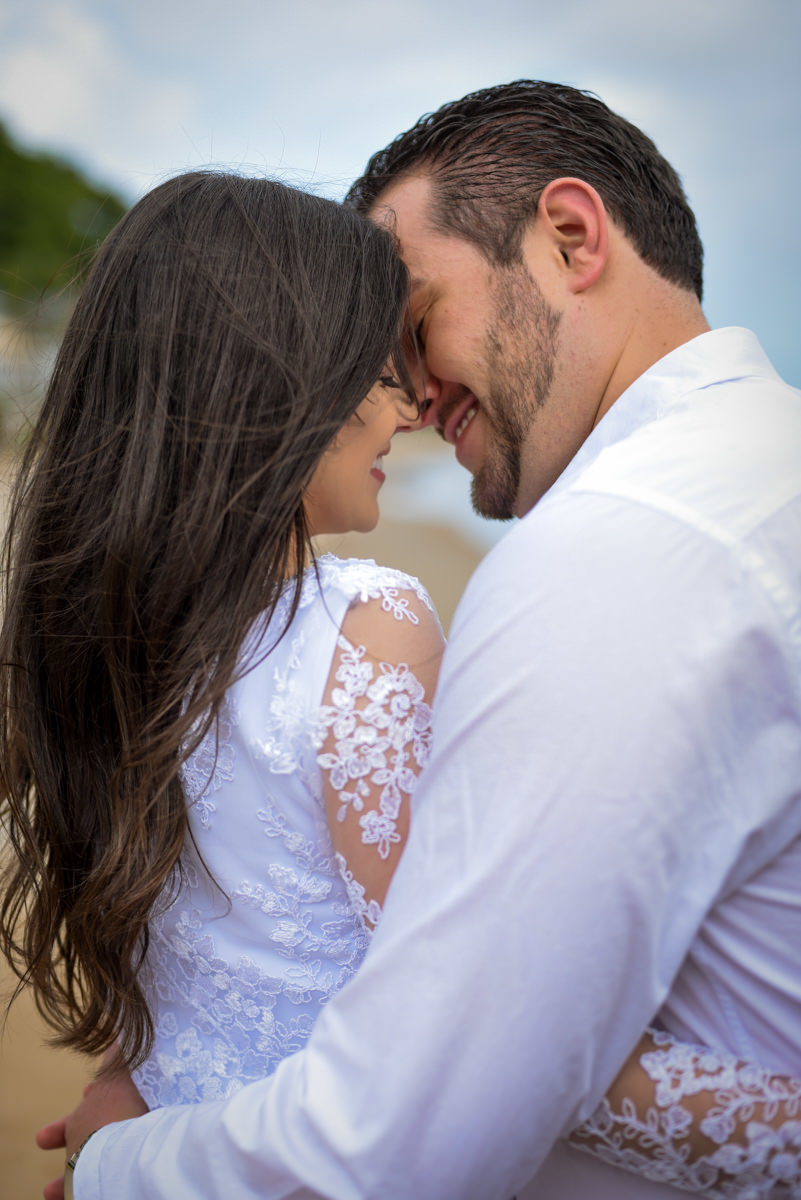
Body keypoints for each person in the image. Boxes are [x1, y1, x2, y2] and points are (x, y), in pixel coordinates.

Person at [8, 81, 801, 1192]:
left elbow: (444, 1046)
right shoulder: (379, 623)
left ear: (573, 238)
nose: (414, 399)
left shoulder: (126, 635)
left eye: (414, 326)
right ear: (276, 392)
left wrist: (143, 1102)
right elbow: (458, 1082)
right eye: (378, 362)